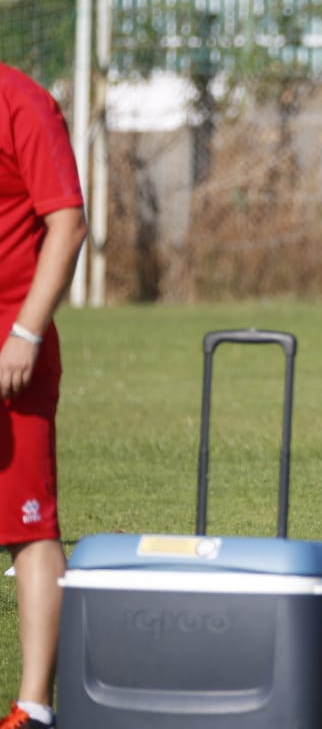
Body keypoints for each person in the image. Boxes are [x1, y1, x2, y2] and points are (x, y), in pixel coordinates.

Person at [1, 64, 88, 729]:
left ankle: (32, 709)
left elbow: (68, 223)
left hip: (10, 350)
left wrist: (26, 332)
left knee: (27, 527)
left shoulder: (21, 102)